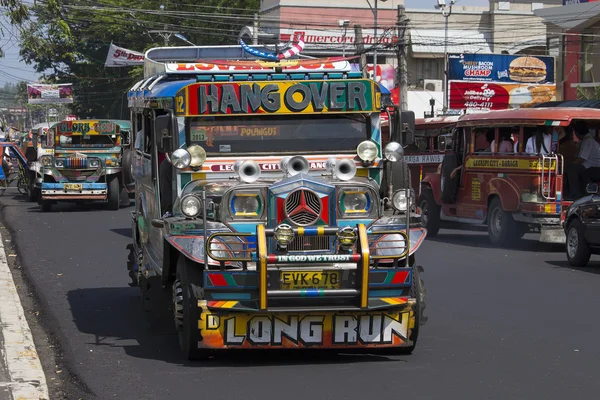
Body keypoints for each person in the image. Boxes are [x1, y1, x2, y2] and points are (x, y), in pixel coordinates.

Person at [565, 120, 600, 199]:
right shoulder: (587, 140)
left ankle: (575, 195)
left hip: (593, 167)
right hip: (589, 166)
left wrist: (569, 164)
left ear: (577, 133)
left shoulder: (588, 141)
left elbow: (581, 159)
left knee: (571, 169)